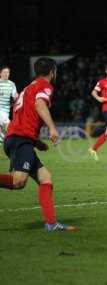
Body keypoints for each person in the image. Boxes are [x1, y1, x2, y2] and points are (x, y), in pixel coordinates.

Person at [0, 57, 76, 231]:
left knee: (45, 178)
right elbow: (40, 104)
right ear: (52, 71)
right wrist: (52, 128)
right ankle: (51, 224)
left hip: (17, 138)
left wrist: (36, 142)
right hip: (20, 139)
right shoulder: (44, 86)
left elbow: (23, 117)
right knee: (19, 181)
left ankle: (51, 223)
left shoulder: (27, 88)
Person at [0, 66, 18, 144]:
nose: (6, 74)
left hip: (6, 111)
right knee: (9, 127)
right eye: (4, 72)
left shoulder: (11, 84)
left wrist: (17, 97)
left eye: (8, 72)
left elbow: (15, 96)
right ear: (0, 73)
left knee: (3, 134)